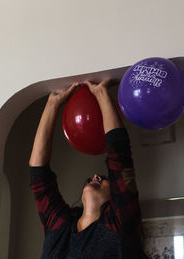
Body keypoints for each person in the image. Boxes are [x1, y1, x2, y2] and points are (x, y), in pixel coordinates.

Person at [29, 79, 147, 258]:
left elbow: (120, 159)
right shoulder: (61, 229)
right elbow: (39, 175)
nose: (95, 176)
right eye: (98, 177)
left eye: (104, 178)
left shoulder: (119, 225)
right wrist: (52, 103)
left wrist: (101, 93)